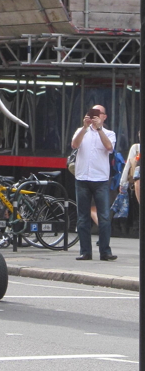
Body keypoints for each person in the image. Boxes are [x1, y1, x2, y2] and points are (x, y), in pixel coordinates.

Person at [71, 104, 117, 261]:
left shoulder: (109, 133)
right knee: (82, 217)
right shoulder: (81, 131)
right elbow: (74, 145)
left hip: (100, 179)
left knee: (104, 216)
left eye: (98, 114)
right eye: (92, 113)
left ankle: (105, 251)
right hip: (82, 178)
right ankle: (85, 251)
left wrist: (99, 129)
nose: (95, 117)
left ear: (104, 117)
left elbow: (109, 147)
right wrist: (85, 128)